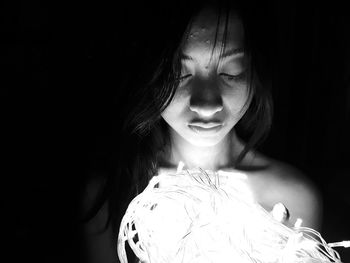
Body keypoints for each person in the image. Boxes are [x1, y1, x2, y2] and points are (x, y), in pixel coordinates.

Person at [81, 1, 325, 262]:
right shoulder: (112, 196)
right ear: (148, 76)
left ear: (255, 73)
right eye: (177, 74)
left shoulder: (291, 198)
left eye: (230, 72)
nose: (207, 104)